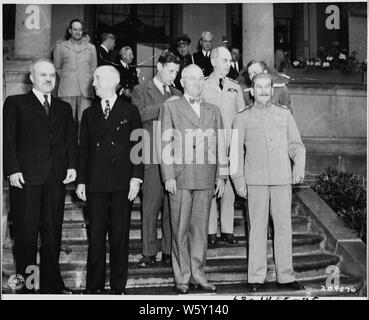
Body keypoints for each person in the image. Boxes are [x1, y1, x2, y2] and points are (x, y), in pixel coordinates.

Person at [3, 57, 78, 294]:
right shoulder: (15, 103)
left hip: (55, 179)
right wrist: (12, 170)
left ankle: (51, 286)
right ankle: (25, 288)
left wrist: (72, 166)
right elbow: (8, 139)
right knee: (25, 235)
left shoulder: (64, 107)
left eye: (52, 75)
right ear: (31, 77)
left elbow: (69, 141)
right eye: (43, 74)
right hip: (25, 179)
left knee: (52, 234)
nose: (48, 79)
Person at [230, 73, 306, 293]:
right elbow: (234, 153)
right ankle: (255, 278)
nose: (263, 91)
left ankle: (286, 276)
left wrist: (298, 168)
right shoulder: (242, 117)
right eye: (258, 87)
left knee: (284, 228)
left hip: (282, 181)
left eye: (267, 87)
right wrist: (238, 180)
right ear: (251, 91)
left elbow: (296, 146)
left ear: (272, 90)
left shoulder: (284, 114)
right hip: (255, 183)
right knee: (257, 230)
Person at [76, 66, 144, 294]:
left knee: (120, 237)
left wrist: (136, 178)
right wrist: (81, 181)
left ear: (111, 82)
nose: (93, 83)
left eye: (96, 78)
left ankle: (118, 287)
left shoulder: (131, 111)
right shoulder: (89, 114)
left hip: (122, 183)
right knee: (95, 238)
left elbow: (139, 147)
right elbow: (83, 149)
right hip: (95, 183)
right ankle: (93, 287)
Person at [160, 64, 227, 294]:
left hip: (205, 176)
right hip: (180, 176)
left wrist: (221, 175)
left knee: (200, 229)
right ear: (182, 82)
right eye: (193, 79)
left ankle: (199, 275)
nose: (198, 83)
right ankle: (182, 277)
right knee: (179, 229)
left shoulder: (213, 110)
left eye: (201, 79)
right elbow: (164, 143)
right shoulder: (170, 107)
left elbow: (220, 145)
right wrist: (168, 175)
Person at [131, 51, 182, 267]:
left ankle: (169, 251)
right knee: (150, 208)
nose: (173, 76)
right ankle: (149, 253)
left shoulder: (178, 92)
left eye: (176, 72)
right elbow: (139, 114)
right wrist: (166, 105)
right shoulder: (141, 89)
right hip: (151, 156)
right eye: (170, 71)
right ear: (159, 67)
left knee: (172, 209)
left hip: (173, 156)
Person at [202, 46, 245, 245]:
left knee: (228, 189)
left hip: (229, 145)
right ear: (213, 61)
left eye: (230, 60)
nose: (229, 64)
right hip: (209, 145)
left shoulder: (235, 87)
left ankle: (227, 230)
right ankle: (210, 231)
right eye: (224, 60)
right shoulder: (202, 85)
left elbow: (242, 117)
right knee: (211, 187)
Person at [53, 19, 97, 127]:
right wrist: (68, 78)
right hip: (67, 89)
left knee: (85, 121)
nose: (77, 32)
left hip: (85, 89)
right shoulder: (60, 47)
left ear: (83, 31)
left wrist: (86, 79)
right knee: (66, 120)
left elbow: (93, 68)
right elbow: (57, 67)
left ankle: (82, 143)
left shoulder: (91, 48)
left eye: (80, 30)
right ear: (70, 31)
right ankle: (68, 144)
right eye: (75, 29)